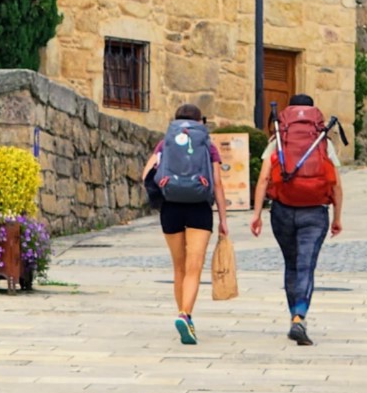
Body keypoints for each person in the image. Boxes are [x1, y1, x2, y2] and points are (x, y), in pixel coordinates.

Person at [250, 93, 343, 345]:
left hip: (282, 210)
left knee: (291, 264)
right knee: (306, 265)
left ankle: (294, 315)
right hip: (315, 211)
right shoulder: (322, 142)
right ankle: (299, 317)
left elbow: (264, 180)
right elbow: (335, 185)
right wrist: (337, 217)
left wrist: (257, 214)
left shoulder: (279, 140)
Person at [143, 102, 228, 343]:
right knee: (194, 267)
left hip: (171, 208)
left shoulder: (165, 144)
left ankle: (183, 315)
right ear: (201, 123)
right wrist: (223, 219)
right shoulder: (208, 146)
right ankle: (185, 314)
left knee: (178, 267)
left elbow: (145, 174)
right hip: (199, 208)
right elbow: (218, 184)